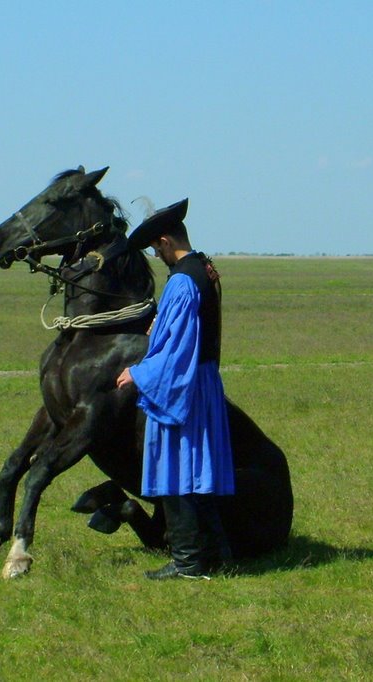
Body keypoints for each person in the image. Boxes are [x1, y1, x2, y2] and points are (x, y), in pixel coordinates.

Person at [115, 198, 235, 580]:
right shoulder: (206, 268)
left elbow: (177, 349)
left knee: (178, 471)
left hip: (184, 387)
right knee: (198, 473)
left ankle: (188, 563)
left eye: (155, 248)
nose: (156, 254)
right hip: (203, 382)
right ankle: (219, 555)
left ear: (166, 241)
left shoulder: (182, 281)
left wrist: (139, 373)